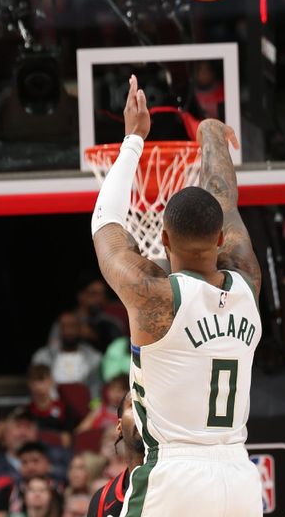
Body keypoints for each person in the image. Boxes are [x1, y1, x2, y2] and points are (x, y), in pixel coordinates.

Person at [91, 75, 262, 516]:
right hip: (241, 477)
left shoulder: (154, 295)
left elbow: (105, 224)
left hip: (175, 475)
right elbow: (225, 199)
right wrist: (210, 134)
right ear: (222, 238)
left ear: (162, 239)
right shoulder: (247, 280)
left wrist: (133, 138)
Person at [87, 391, 146, 517]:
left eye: (147, 408)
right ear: (119, 426)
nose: (142, 413)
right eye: (134, 406)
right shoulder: (102, 499)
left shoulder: (182, 482)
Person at [32, 310, 102, 400]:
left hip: (84, 409)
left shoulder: (94, 358)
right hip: (51, 409)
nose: (68, 331)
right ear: (58, 330)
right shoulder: (42, 358)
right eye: (64, 326)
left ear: (80, 328)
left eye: (73, 326)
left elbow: (95, 389)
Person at [0, 441, 63, 517]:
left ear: (48, 463)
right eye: (24, 462)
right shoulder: (8, 491)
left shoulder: (60, 490)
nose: (30, 467)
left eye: (35, 461)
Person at [26, 364, 77, 451]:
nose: (39, 386)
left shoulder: (63, 408)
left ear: (51, 382)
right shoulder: (26, 411)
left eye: (42, 380)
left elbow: (67, 439)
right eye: (35, 381)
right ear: (30, 384)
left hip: (59, 453)